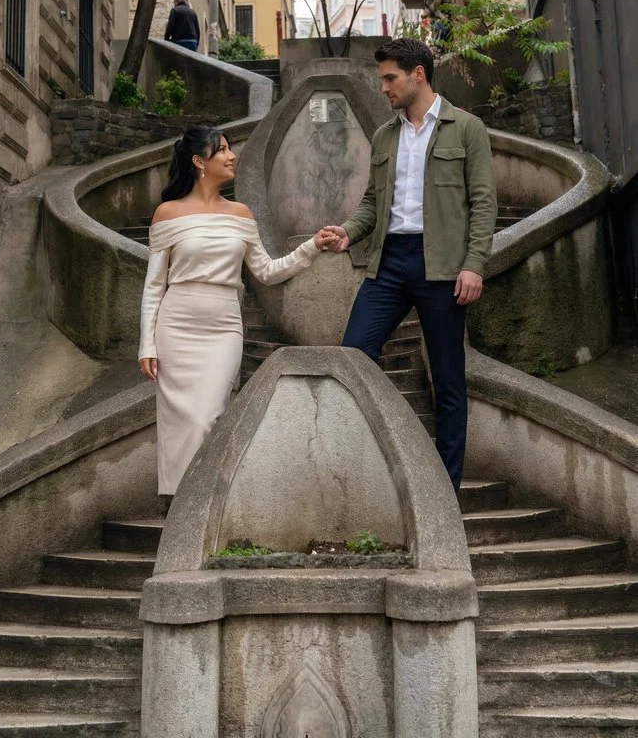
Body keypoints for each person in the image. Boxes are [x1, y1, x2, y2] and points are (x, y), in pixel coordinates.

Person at [325, 38, 497, 491]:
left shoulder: (466, 129)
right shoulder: (385, 135)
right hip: (390, 262)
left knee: (447, 381)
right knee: (353, 355)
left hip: (443, 265)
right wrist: (348, 232)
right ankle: (381, 466)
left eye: (389, 77)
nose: (383, 87)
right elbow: (371, 202)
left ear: (418, 73)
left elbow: (483, 204)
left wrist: (474, 264)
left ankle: (444, 491)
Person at [138, 125, 336, 501]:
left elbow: (266, 271)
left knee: (209, 416)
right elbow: (153, 286)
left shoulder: (241, 214)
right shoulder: (167, 214)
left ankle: (203, 502)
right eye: (222, 150)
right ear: (199, 161)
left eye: (230, 149)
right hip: (176, 326)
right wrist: (146, 343)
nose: (232, 156)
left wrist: (310, 247)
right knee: (182, 421)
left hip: (224, 327)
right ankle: (179, 506)